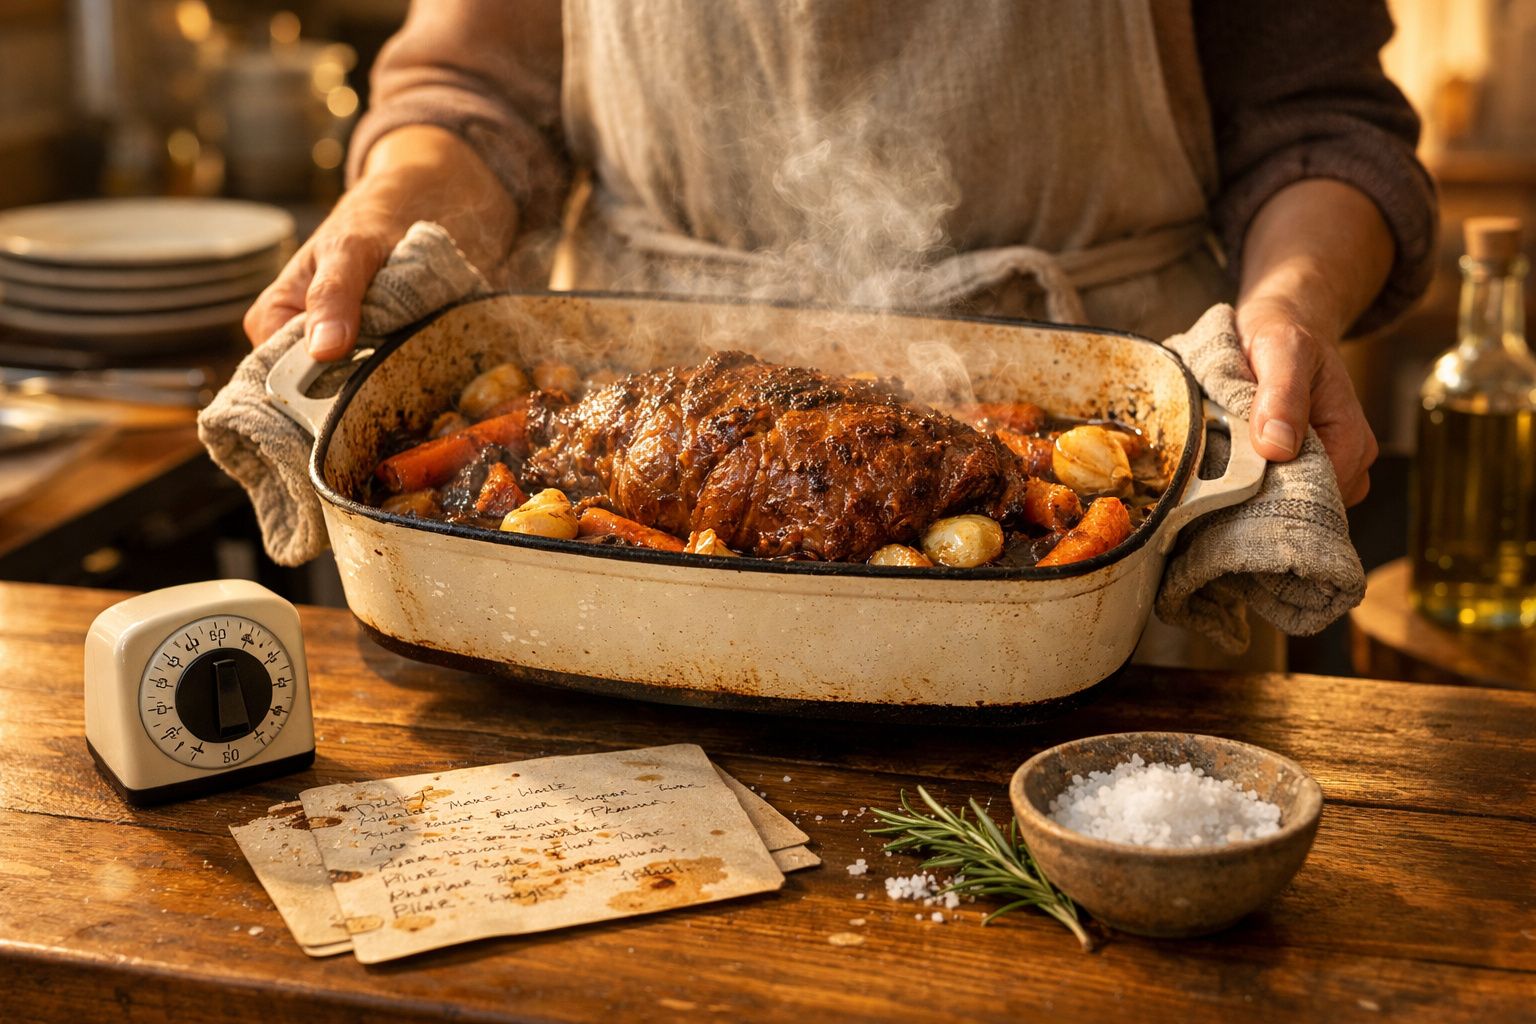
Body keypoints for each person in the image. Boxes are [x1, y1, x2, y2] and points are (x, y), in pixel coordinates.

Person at [245, 1, 1435, 512]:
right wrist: (389, 208)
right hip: (627, 426)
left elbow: (1319, 128)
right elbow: (468, 94)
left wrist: (1290, 305)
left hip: (1111, 473)